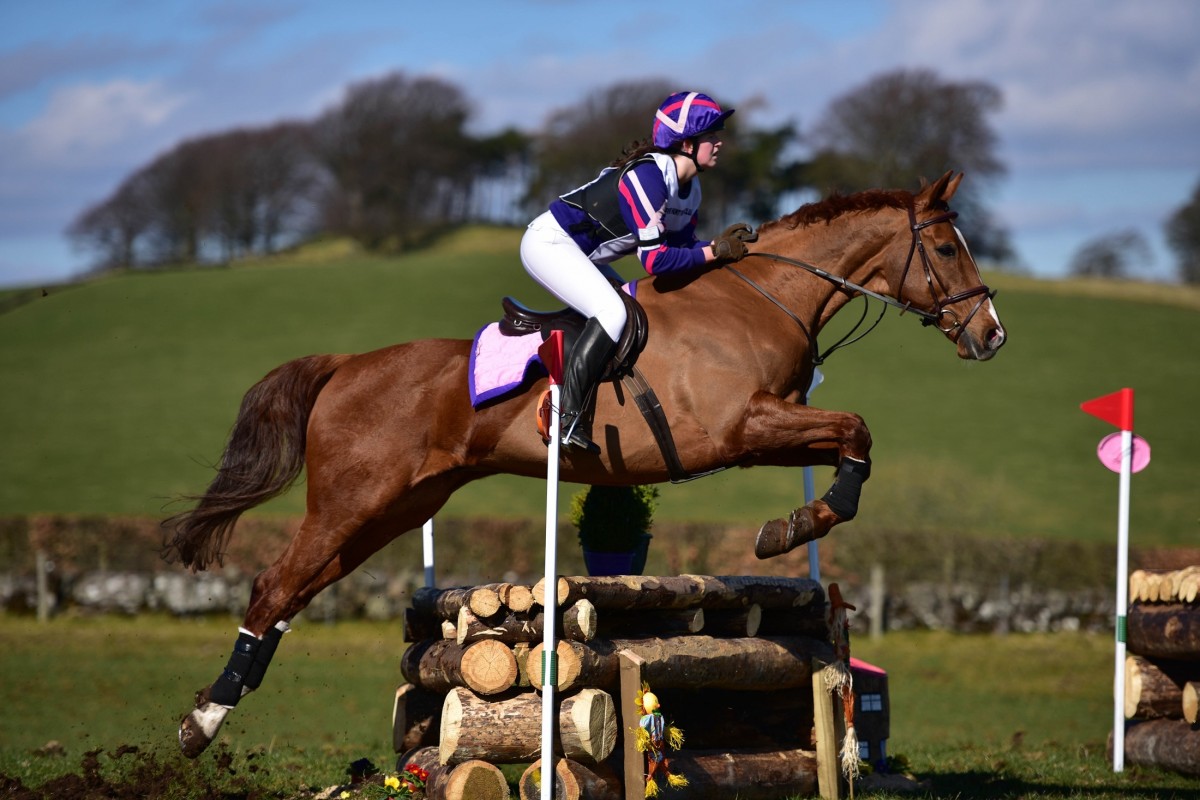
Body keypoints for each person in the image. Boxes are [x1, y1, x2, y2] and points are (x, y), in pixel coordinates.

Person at [520, 90, 757, 454]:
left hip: (587, 257)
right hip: (549, 244)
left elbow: (682, 249)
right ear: (686, 143)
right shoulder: (647, 177)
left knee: (636, 312)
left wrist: (717, 248)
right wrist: (713, 252)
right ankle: (566, 418)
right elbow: (655, 262)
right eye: (711, 135)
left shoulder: (690, 191)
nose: (719, 142)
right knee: (612, 313)